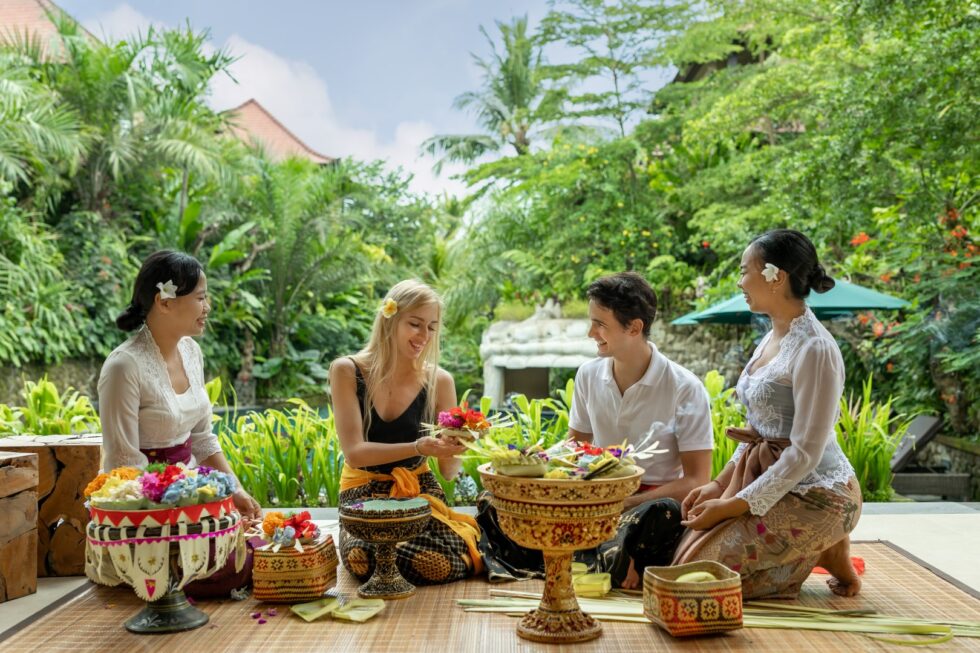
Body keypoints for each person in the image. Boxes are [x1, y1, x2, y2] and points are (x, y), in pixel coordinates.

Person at [479, 272, 714, 588]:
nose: (591, 332)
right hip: (591, 498)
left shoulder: (685, 388)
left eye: (600, 324)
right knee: (494, 502)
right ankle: (604, 563)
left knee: (662, 513)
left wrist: (624, 503)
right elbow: (575, 451)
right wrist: (533, 462)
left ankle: (572, 559)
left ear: (634, 327)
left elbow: (697, 481)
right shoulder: (589, 376)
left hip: (643, 507)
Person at [674, 229, 863, 599]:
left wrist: (731, 504)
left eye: (745, 271)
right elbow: (759, 431)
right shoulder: (773, 336)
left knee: (697, 583)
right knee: (682, 560)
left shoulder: (815, 349)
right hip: (772, 481)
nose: (740, 282)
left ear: (775, 276)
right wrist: (719, 484)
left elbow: (805, 453)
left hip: (818, 494)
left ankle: (824, 545)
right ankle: (821, 548)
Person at [90, 250, 261, 596]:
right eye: (200, 297)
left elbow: (202, 439)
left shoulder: (191, 353)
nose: (207, 306)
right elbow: (125, 464)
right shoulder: (124, 367)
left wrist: (234, 490)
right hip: (146, 516)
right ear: (164, 302)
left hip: (192, 498)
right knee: (239, 563)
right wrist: (193, 516)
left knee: (263, 542)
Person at [330, 279, 482, 586]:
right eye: (415, 324)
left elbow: (449, 473)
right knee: (363, 560)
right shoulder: (346, 371)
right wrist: (418, 447)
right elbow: (355, 453)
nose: (424, 336)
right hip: (364, 491)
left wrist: (458, 446)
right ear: (390, 320)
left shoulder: (440, 381)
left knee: (435, 561)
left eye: (431, 327)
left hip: (418, 490)